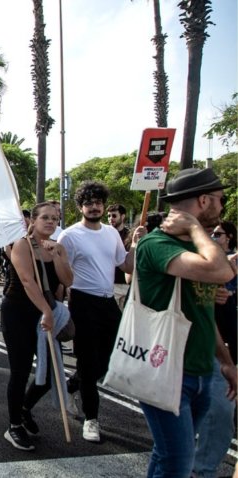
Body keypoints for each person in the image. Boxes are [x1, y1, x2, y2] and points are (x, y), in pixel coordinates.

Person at [135, 168, 237, 477]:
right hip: (166, 370)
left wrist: (226, 362)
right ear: (204, 200)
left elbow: (203, 314)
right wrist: (194, 226)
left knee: (167, 455)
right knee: (178, 462)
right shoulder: (157, 244)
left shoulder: (196, 248)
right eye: (220, 199)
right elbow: (222, 272)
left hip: (200, 371)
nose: (222, 206)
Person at [58, 181, 145, 442]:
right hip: (83, 303)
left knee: (110, 359)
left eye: (98, 203)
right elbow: (62, 274)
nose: (94, 207)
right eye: (88, 203)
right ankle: (91, 419)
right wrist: (57, 308)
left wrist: (136, 245)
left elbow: (126, 266)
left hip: (108, 303)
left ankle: (71, 385)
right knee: (88, 362)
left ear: (103, 205)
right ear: (80, 207)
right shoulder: (69, 236)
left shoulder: (111, 233)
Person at [0, 202, 74, 451]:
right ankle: (14, 425)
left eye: (55, 218)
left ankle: (24, 408)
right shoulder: (22, 244)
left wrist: (58, 256)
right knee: (20, 371)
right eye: (45, 217)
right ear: (33, 220)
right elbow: (27, 280)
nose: (51, 222)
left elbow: (67, 280)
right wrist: (46, 311)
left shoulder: (57, 247)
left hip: (45, 314)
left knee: (51, 371)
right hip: (18, 313)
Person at [193, 220, 238, 478]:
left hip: (228, 350)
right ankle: (199, 471)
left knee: (220, 417)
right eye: (210, 233)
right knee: (217, 413)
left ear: (229, 237)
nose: (213, 237)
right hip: (207, 351)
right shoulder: (199, 261)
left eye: (217, 234)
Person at [107, 204, 132, 308]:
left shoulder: (131, 235)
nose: (110, 219)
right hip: (111, 284)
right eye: (109, 216)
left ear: (122, 216)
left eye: (114, 216)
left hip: (127, 285)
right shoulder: (105, 234)